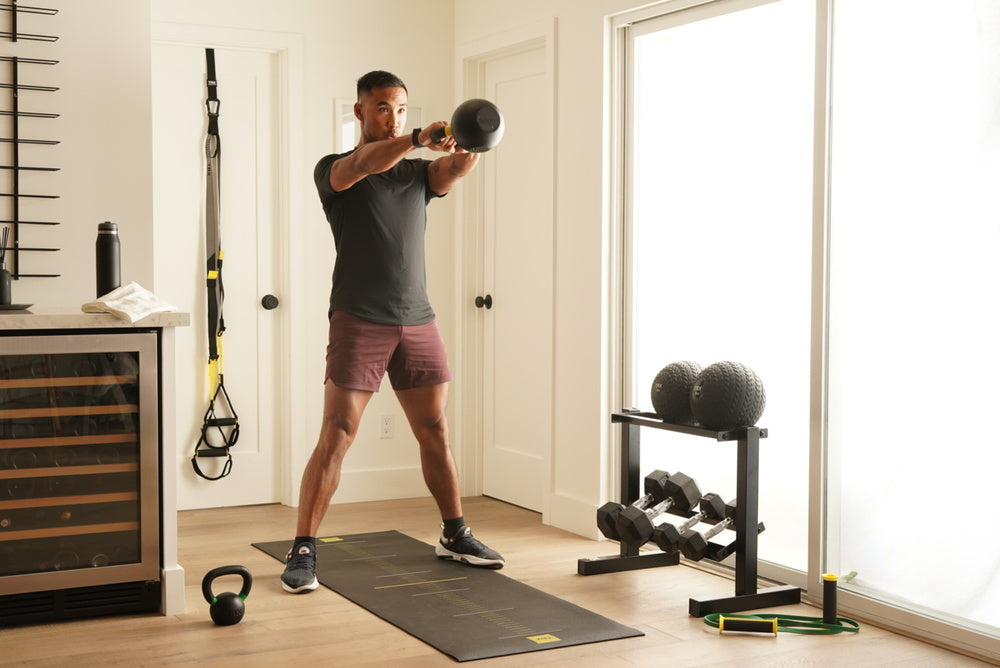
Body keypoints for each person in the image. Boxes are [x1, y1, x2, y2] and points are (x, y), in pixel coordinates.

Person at [281, 70, 505, 594]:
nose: (393, 117)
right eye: (383, 108)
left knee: (435, 429)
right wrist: (418, 138)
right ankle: (303, 548)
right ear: (360, 111)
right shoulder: (335, 170)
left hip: (417, 318)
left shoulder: (415, 174)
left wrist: (468, 142)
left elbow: (453, 171)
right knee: (338, 432)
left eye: (400, 109)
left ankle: (455, 533)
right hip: (359, 318)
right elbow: (365, 163)